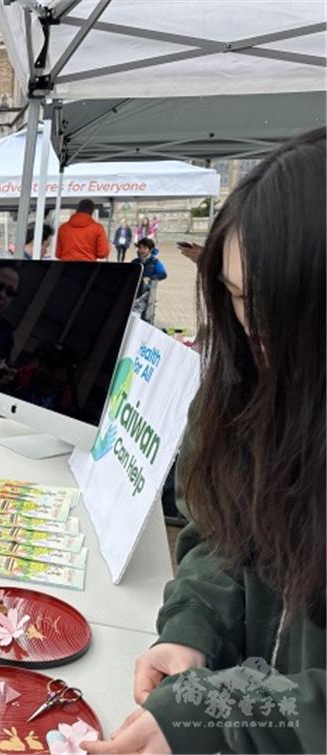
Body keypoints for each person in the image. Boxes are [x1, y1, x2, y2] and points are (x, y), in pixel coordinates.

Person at [85, 128, 325, 755]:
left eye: (278, 304)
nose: (253, 330)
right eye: (238, 298)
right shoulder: (248, 393)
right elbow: (222, 534)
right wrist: (193, 626)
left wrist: (225, 716)